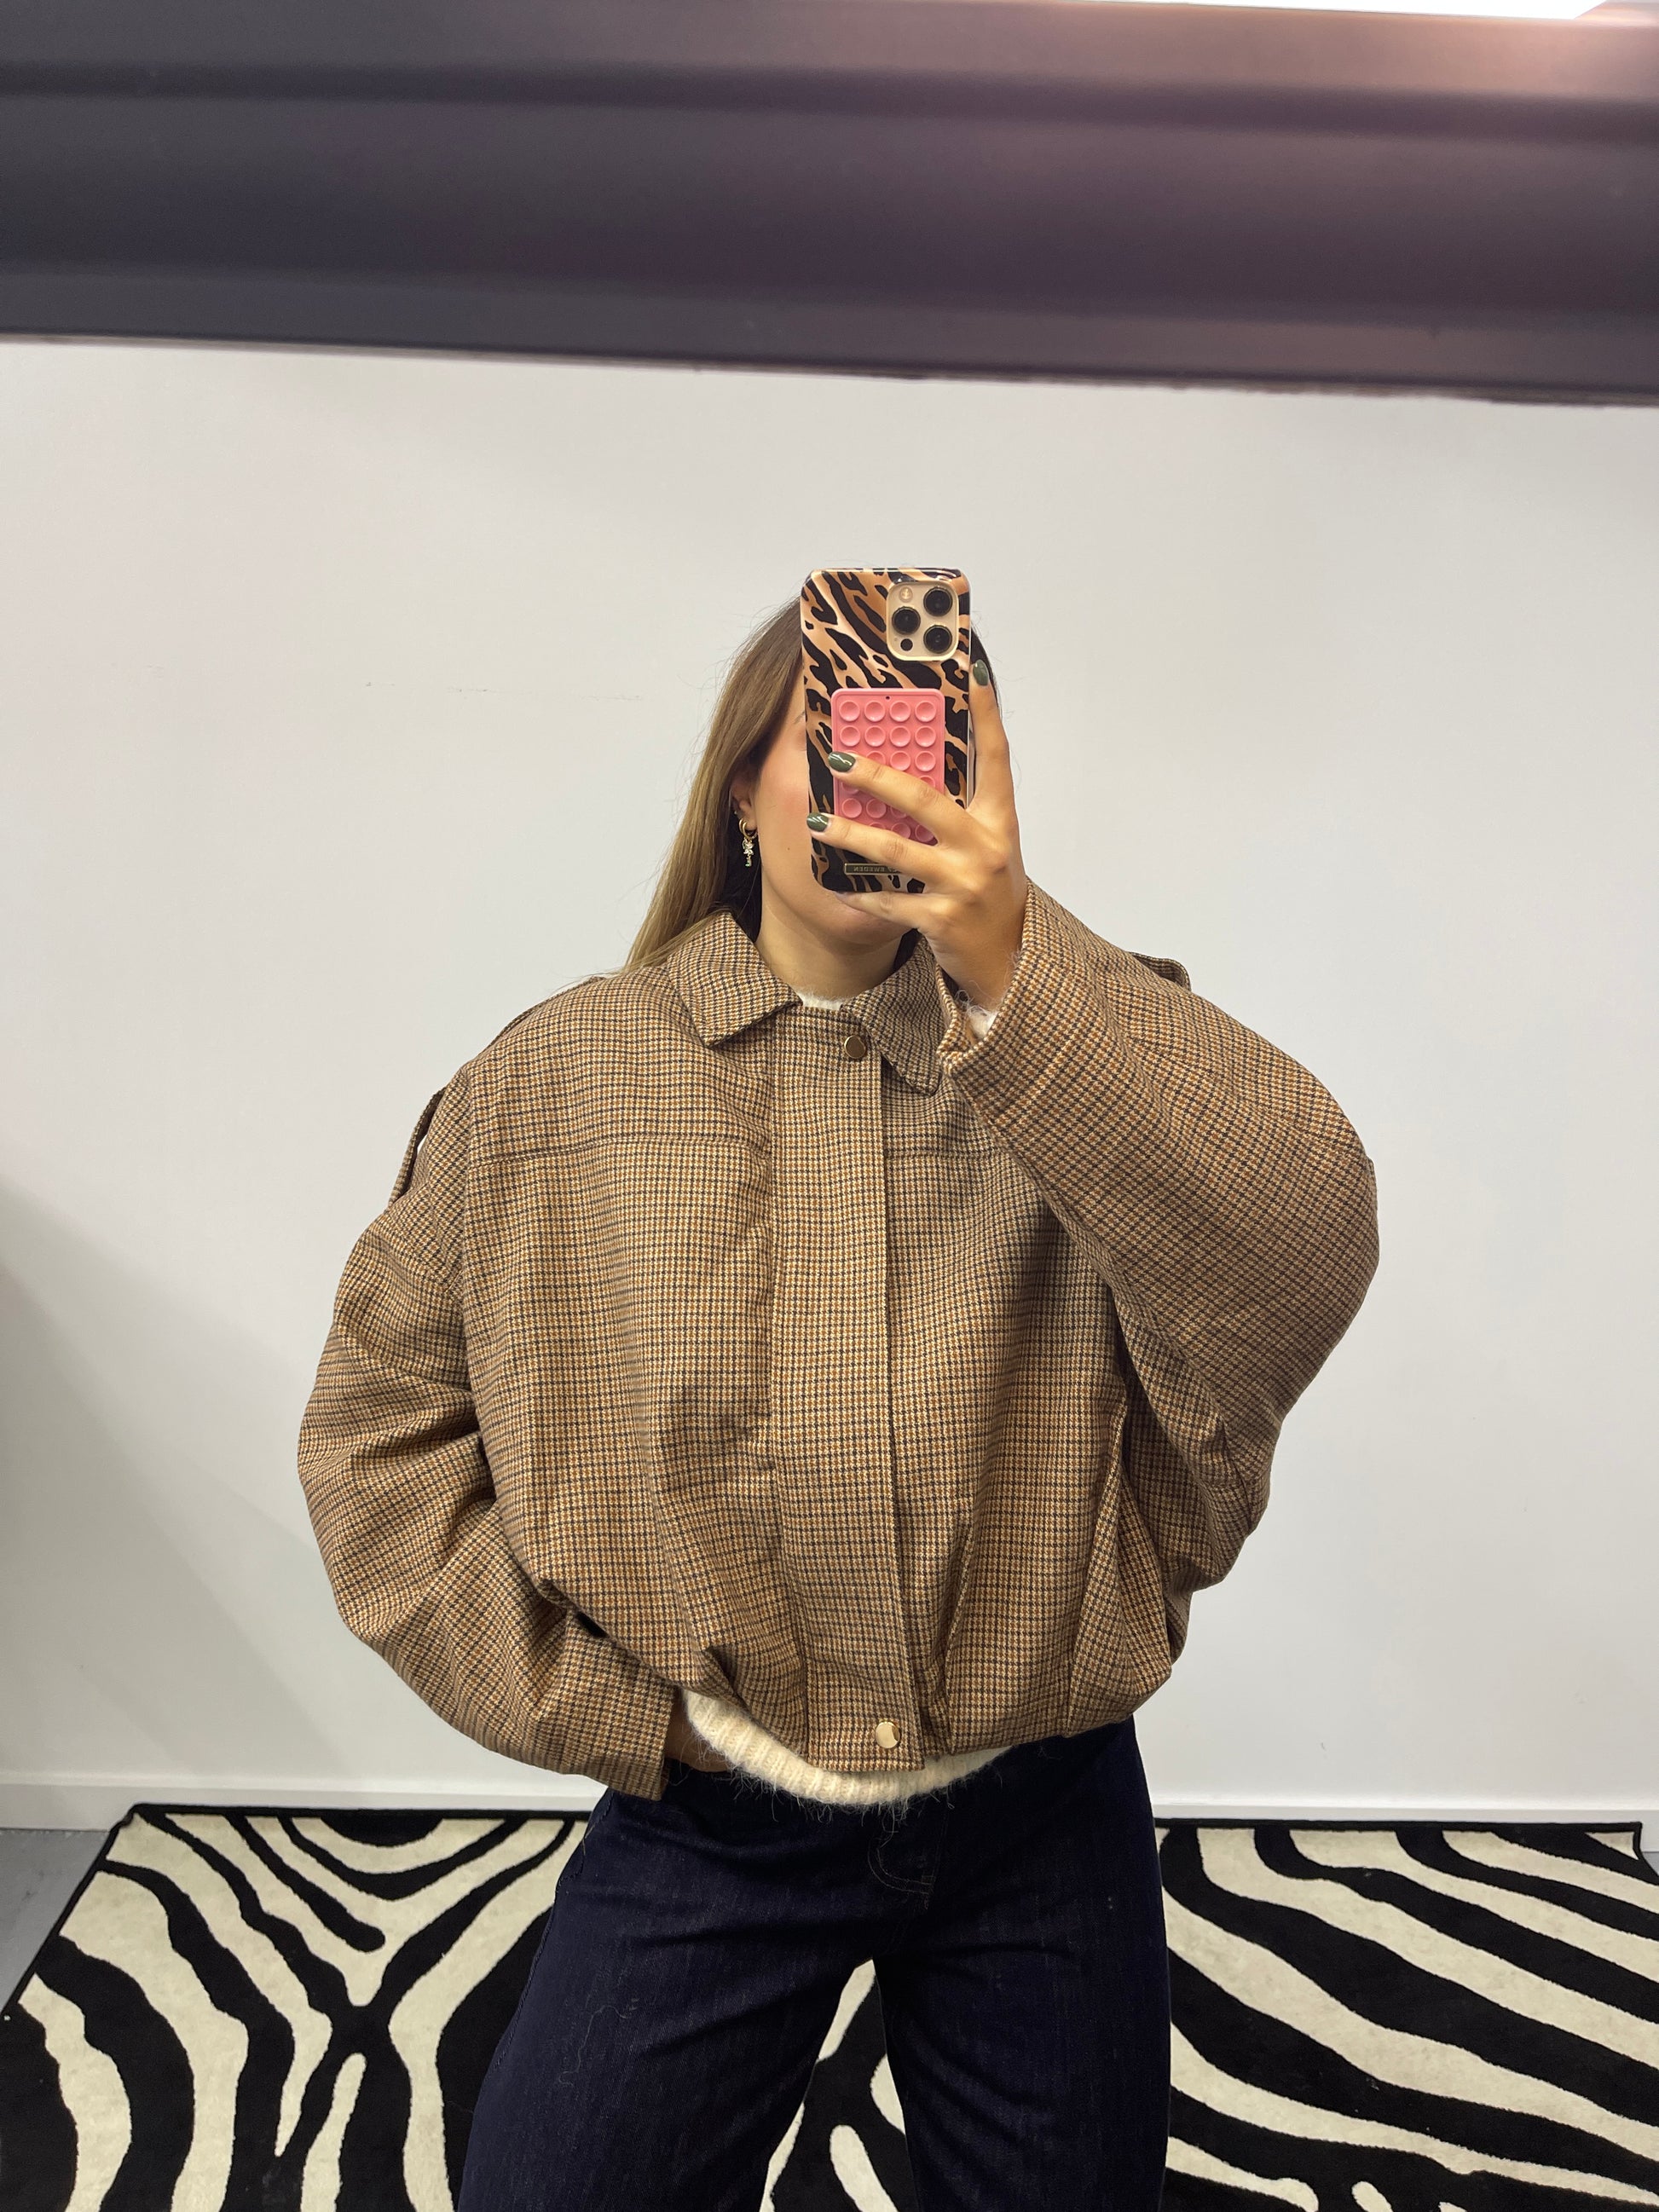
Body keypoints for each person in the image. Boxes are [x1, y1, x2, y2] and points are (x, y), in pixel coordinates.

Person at [298, 598, 1379, 2211]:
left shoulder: (1089, 1054)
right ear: (742, 785)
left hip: (1043, 1799)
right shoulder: (554, 1082)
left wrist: (1017, 960)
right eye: (832, 742)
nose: (878, 788)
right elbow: (379, 1433)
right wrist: (619, 1717)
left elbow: (1303, 1245)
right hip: (708, 1811)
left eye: (927, 753)